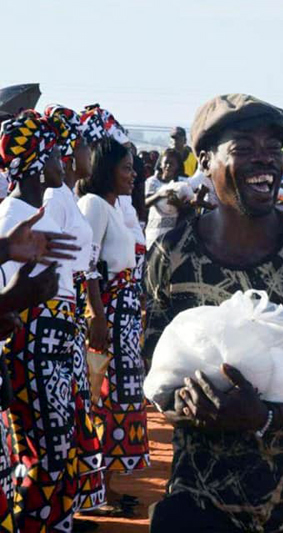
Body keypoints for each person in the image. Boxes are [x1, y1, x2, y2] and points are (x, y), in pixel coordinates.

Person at [144, 94, 283, 533]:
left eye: (273, 148)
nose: (264, 159)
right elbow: (155, 364)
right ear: (205, 161)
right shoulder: (172, 255)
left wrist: (265, 418)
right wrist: (180, 406)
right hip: (196, 493)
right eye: (243, 147)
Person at [0, 111, 82, 531]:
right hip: (27, 345)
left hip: (48, 340)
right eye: (54, 155)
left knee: (56, 437)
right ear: (35, 161)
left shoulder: (30, 213)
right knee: (38, 444)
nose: (62, 164)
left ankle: (52, 521)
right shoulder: (12, 216)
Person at [43, 104, 109, 520]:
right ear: (69, 151)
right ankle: (53, 512)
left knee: (72, 415)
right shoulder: (56, 198)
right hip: (53, 315)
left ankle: (67, 511)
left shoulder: (67, 195)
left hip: (66, 316)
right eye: (85, 143)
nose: (90, 152)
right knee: (56, 420)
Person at [77, 138, 150, 517]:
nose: (133, 174)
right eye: (126, 167)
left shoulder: (116, 207)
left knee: (116, 400)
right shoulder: (92, 206)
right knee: (99, 400)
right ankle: (92, 492)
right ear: (107, 169)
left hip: (123, 320)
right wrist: (97, 317)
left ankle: (105, 487)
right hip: (106, 322)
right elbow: (86, 267)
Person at [144, 147, 192, 248]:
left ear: (177, 166)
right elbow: (145, 203)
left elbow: (189, 209)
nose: (168, 166)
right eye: (166, 162)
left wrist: (178, 204)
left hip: (172, 234)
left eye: (172, 164)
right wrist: (160, 194)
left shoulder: (180, 185)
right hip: (153, 233)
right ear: (161, 163)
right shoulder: (152, 182)